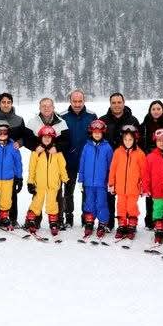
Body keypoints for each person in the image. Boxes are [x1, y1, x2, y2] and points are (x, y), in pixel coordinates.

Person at [0, 93, 27, 226]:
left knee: (10, 194)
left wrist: (19, 142)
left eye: (8, 102)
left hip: (10, 162)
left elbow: (24, 137)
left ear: (12, 103)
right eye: (3, 102)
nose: (6, 104)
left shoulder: (18, 119)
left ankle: (11, 218)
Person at [100, 93, 141, 222]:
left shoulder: (132, 120)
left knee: (127, 195)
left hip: (126, 163)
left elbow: (137, 142)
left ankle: (129, 222)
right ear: (110, 104)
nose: (117, 105)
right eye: (114, 102)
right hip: (107, 162)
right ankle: (109, 221)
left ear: (123, 103)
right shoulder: (103, 120)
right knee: (109, 193)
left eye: (119, 102)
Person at [60, 90, 97, 229]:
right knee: (68, 191)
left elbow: (96, 137)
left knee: (86, 191)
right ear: (70, 101)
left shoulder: (91, 116)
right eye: (74, 101)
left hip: (86, 161)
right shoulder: (62, 116)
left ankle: (85, 218)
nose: (77, 104)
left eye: (80, 101)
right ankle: (68, 218)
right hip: (68, 160)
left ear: (84, 100)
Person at [25, 125, 68, 237]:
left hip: (53, 185)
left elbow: (62, 166)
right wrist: (30, 181)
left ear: (53, 138)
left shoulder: (57, 152)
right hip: (39, 184)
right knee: (36, 203)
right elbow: (32, 168)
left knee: (52, 204)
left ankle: (53, 222)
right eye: (44, 137)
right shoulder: (36, 152)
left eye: (49, 137)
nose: (47, 139)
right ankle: (31, 220)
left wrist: (65, 178)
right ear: (40, 138)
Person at [78, 119, 113, 239]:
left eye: (99, 132)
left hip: (102, 183)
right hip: (88, 183)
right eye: (94, 132)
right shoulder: (86, 147)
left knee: (102, 204)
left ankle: (102, 223)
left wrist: (110, 181)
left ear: (103, 133)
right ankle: (89, 222)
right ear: (91, 133)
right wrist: (81, 179)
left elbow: (110, 166)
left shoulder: (107, 147)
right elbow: (82, 164)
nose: (97, 134)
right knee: (89, 203)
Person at [108, 125, 144, 240]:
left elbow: (144, 171)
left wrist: (143, 185)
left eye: (130, 139)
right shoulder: (118, 152)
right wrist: (111, 183)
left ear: (135, 140)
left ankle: (132, 226)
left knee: (131, 207)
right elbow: (112, 169)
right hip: (120, 188)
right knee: (121, 206)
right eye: (125, 139)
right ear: (122, 140)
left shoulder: (140, 154)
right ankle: (122, 226)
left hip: (133, 188)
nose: (128, 142)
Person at [139, 100, 163, 229]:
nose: (156, 111)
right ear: (150, 111)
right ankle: (150, 221)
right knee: (149, 190)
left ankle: (162, 221)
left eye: (158, 109)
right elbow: (139, 142)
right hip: (148, 159)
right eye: (153, 109)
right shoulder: (144, 125)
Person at [141, 128, 163, 244]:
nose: (162, 142)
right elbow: (146, 175)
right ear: (155, 141)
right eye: (159, 140)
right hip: (157, 192)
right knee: (157, 211)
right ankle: (159, 229)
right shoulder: (150, 157)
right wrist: (146, 188)